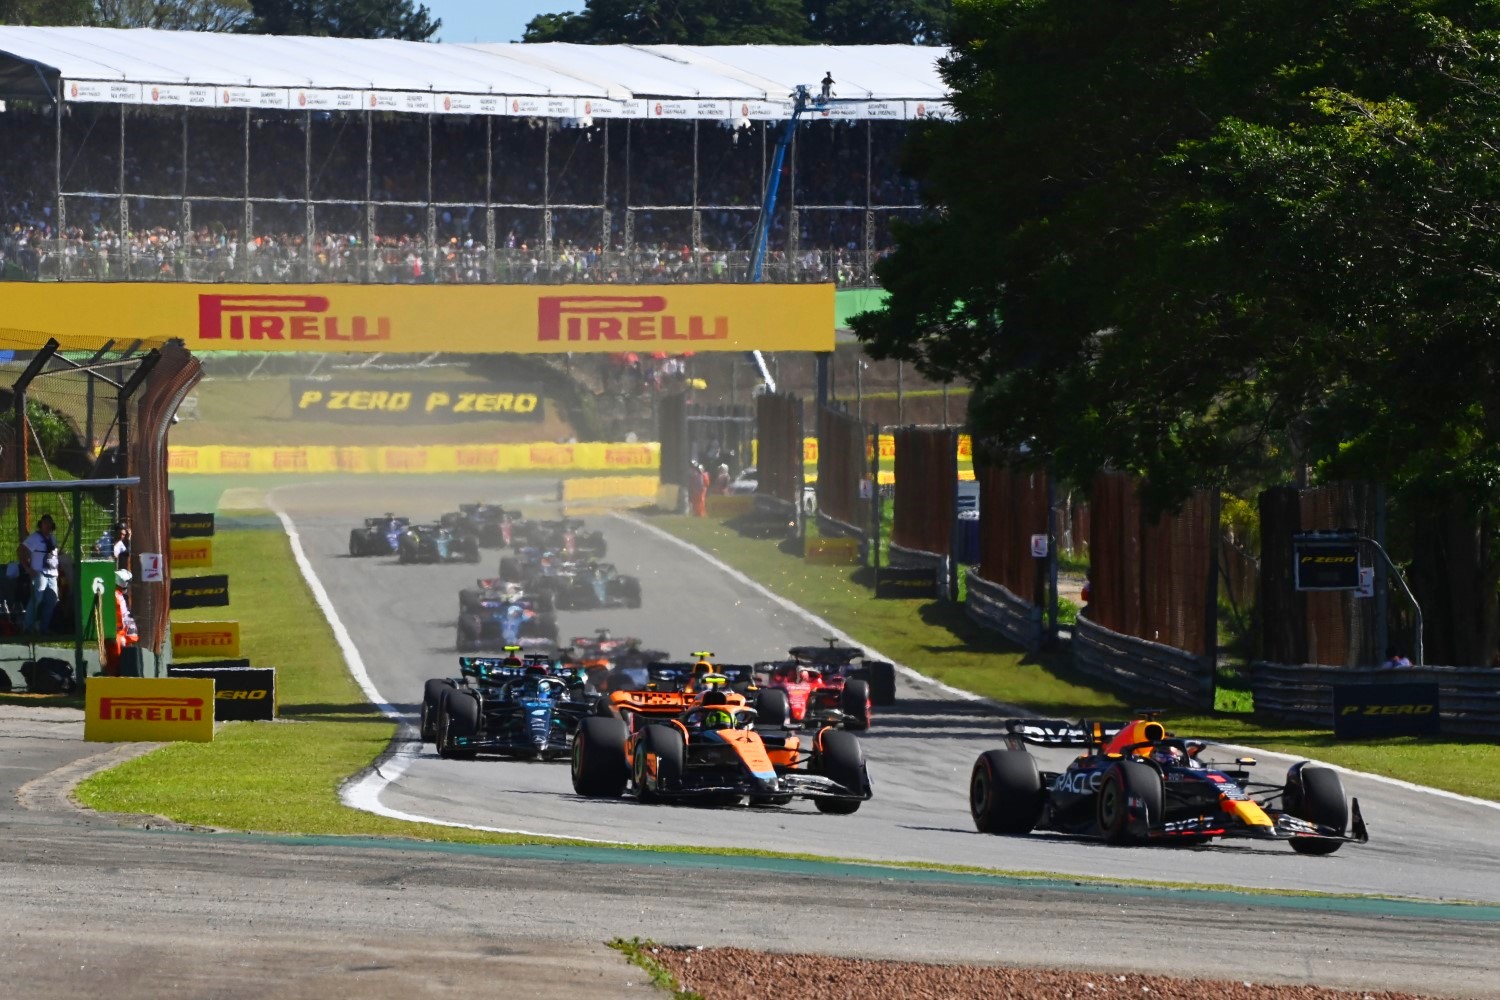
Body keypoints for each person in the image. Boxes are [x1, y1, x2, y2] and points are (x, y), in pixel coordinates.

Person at [18, 514, 59, 633]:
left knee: (52, 600)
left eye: (50, 523)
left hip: (52, 573)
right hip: (39, 572)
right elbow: (21, 550)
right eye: (45, 523)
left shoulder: (53, 538)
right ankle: (28, 625)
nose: (48, 526)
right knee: (37, 598)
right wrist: (27, 568)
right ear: (41, 525)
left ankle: (43, 627)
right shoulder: (34, 538)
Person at [103, 568, 138, 677]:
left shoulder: (118, 594)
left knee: (120, 658)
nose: (128, 585)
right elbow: (118, 617)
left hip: (121, 632)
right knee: (115, 659)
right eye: (127, 582)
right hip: (115, 633)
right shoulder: (114, 595)